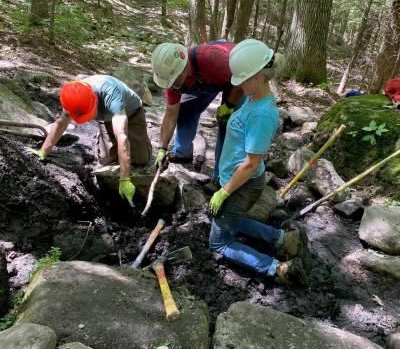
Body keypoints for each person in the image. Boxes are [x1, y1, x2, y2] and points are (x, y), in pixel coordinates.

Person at [208, 39, 307, 284]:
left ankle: (276, 268)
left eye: (241, 79)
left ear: (258, 76)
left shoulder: (263, 113)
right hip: (238, 181)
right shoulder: (253, 98)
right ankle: (283, 239)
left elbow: (251, 164)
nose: (237, 84)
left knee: (219, 242)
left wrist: (223, 191)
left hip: (243, 183)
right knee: (229, 218)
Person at [27, 75, 152, 205]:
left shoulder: (111, 93)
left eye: (88, 115)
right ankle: (106, 136)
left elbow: (122, 136)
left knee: (140, 159)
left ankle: (143, 141)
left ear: (95, 99)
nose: (86, 120)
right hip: (106, 118)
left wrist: (125, 178)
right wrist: (43, 151)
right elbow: (61, 123)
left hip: (130, 113)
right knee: (105, 160)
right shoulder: (73, 97)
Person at [151, 41, 244, 190]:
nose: (171, 86)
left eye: (173, 82)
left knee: (228, 122)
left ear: (183, 69)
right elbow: (171, 113)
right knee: (185, 110)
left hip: (237, 77)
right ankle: (182, 152)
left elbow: (242, 79)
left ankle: (221, 177)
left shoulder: (214, 59)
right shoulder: (171, 77)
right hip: (208, 79)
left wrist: (229, 105)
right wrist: (162, 147)